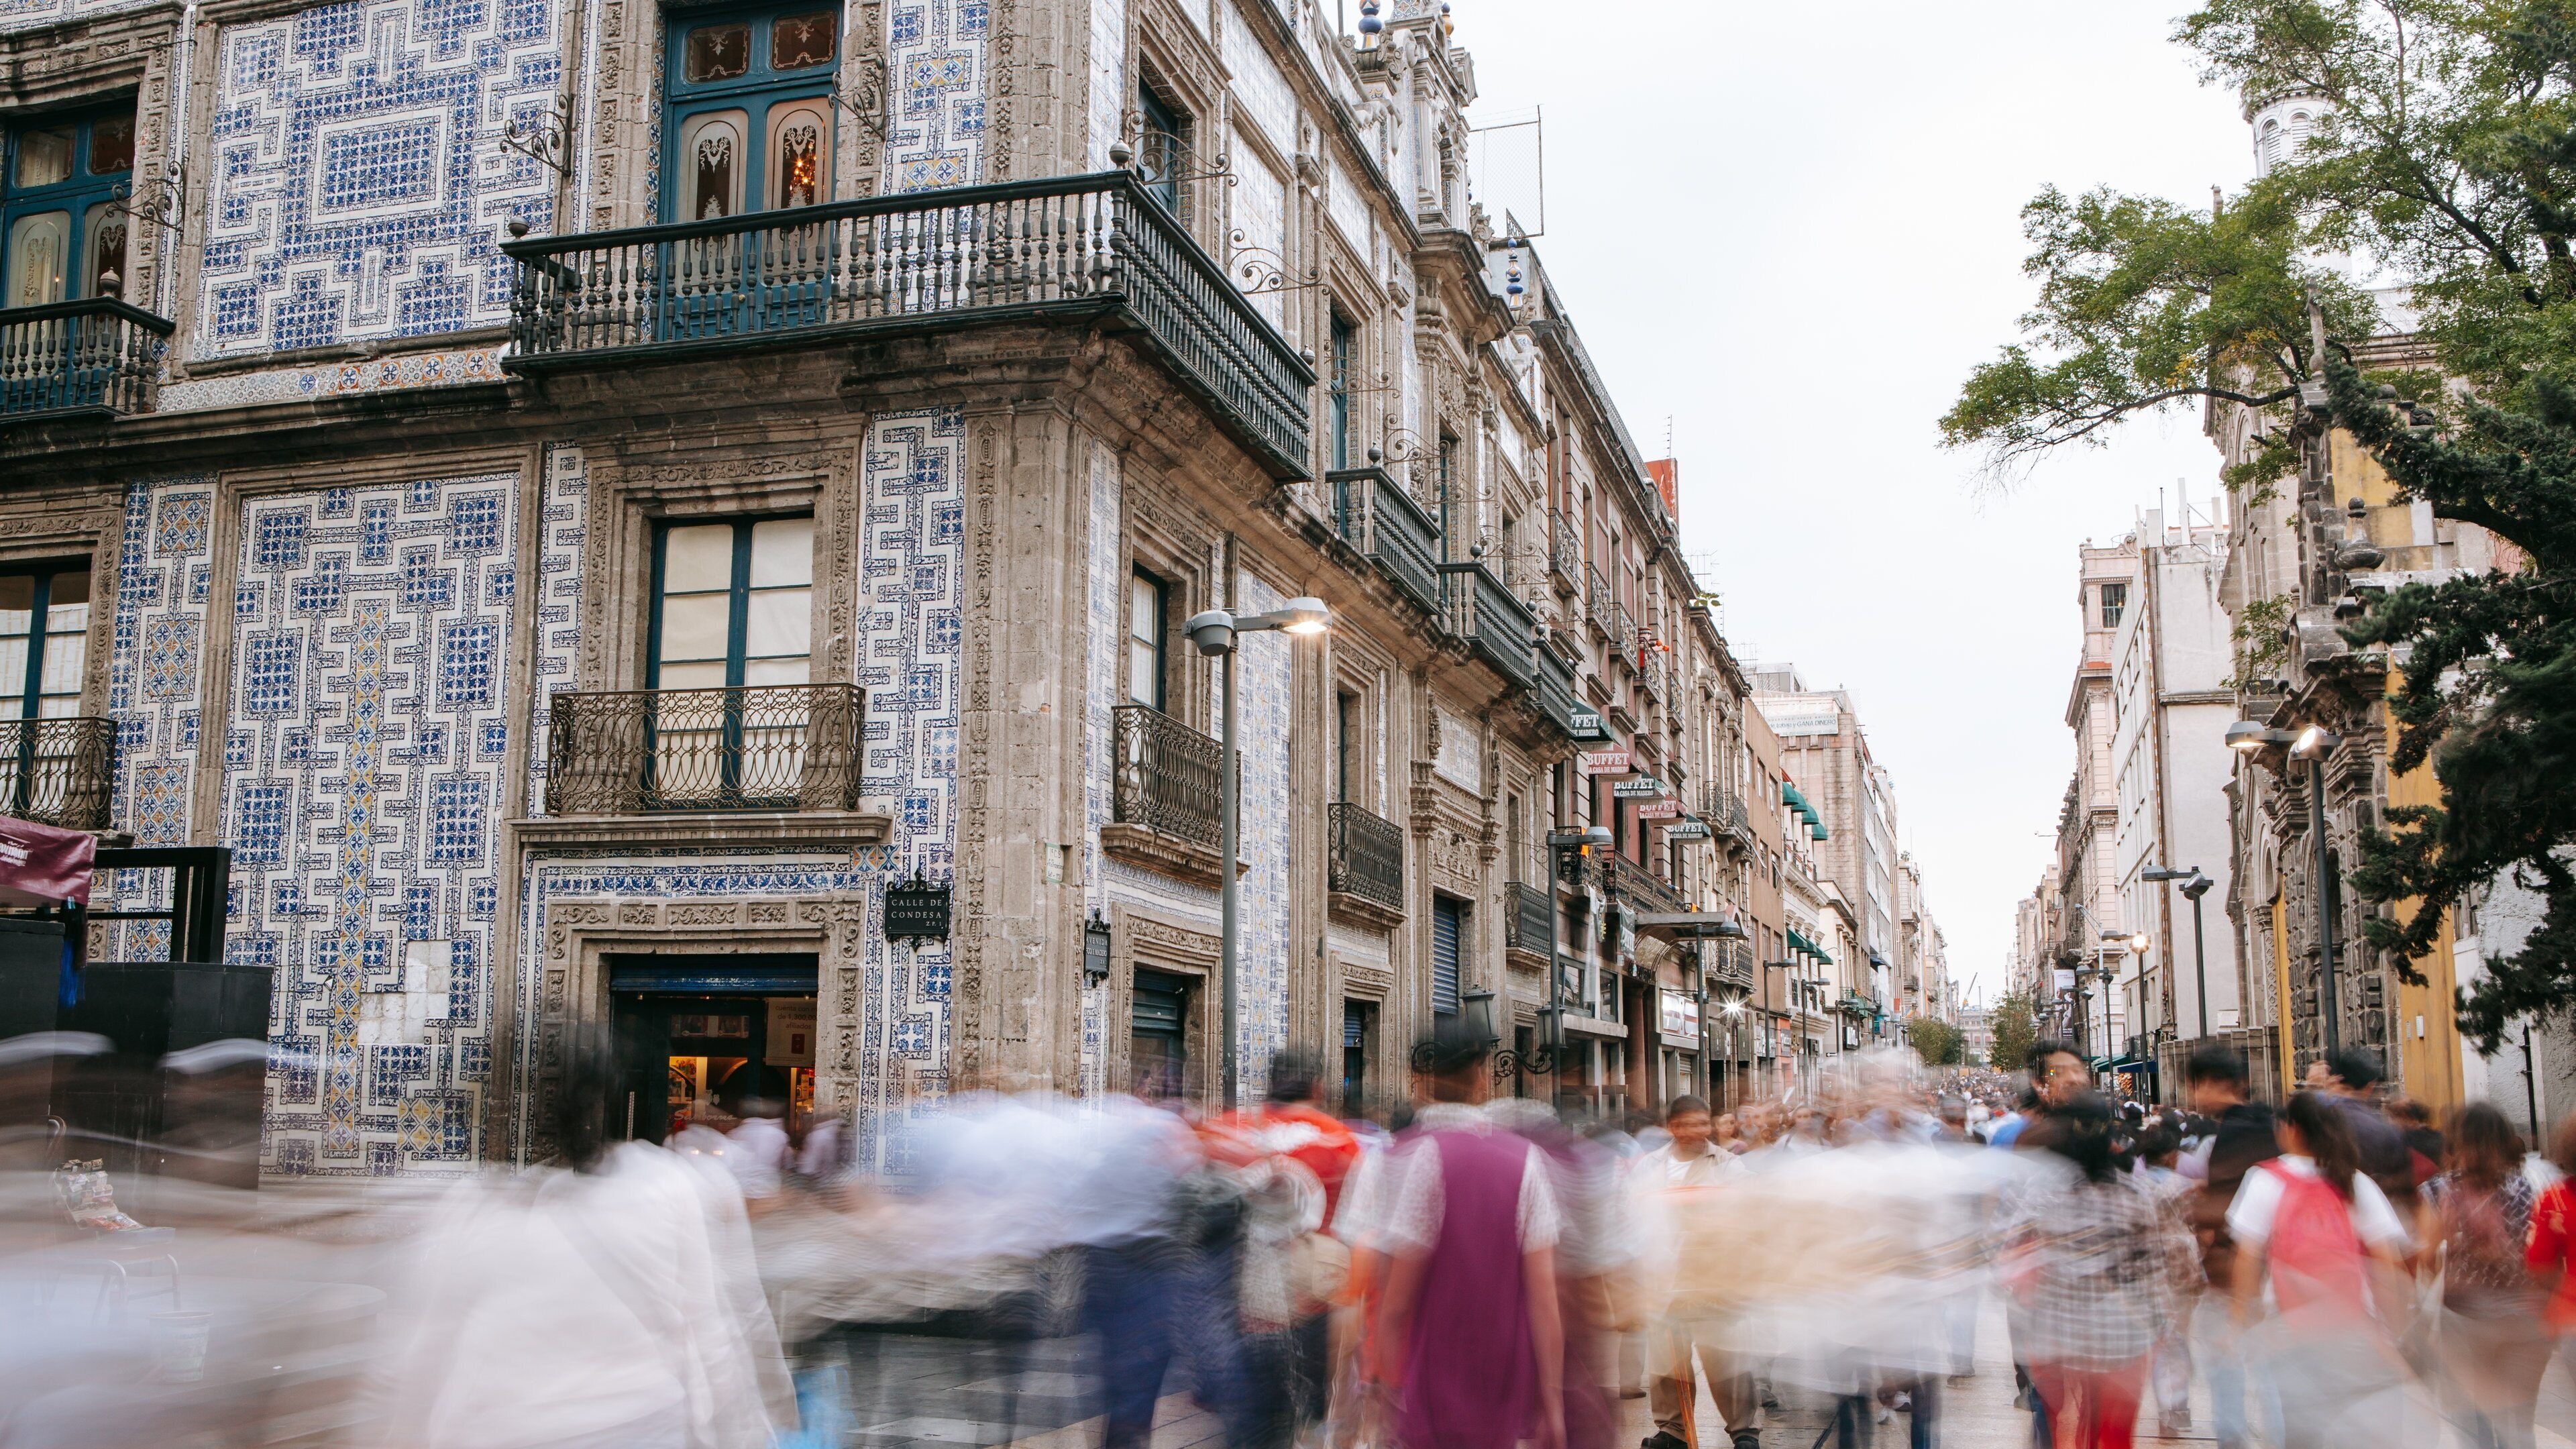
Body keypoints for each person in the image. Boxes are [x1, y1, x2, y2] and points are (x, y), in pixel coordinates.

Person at [1373, 1024, 1567, 1449]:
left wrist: (1384, 1388)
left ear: (1425, 1080)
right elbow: (1543, 1300)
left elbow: (1398, 1299)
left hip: (1431, 1389)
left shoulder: (1419, 1155)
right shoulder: (1526, 1160)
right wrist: (1551, 1403)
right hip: (1504, 1388)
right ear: (1481, 1078)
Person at [2002, 1089, 2195, 1449]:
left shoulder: (2044, 1191)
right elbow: (2157, 1264)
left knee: (2058, 1430)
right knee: (2114, 1435)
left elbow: (2011, 1249)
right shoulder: (2133, 1194)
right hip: (2120, 1343)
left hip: (2059, 1341)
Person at [2226, 1090, 2413, 1449]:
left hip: (2291, 1336)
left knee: (2303, 1434)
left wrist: (2238, 1323)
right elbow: (2388, 1263)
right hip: (2354, 1333)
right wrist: (2395, 1333)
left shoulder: (2266, 1179)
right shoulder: (2355, 1181)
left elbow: (2247, 1259)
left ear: (2292, 1130)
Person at [1633, 1096, 1761, 1449]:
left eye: (1702, 1123)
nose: (1696, 1131)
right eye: (1687, 1124)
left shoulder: (1727, 1166)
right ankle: (1672, 1430)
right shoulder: (1649, 1167)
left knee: (1727, 1363)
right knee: (1666, 1364)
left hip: (1713, 1281)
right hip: (1663, 1282)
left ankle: (1744, 1431)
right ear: (1672, 1126)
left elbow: (1747, 1212)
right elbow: (1630, 1217)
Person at [2420, 1102, 2546, 1449]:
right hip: (2522, 1317)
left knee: (2470, 1423)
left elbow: (2428, 1259)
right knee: (2518, 1424)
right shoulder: (2527, 1188)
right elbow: (2537, 1255)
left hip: (2463, 1319)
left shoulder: (2437, 1191)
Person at [2184, 1042, 2277, 1449]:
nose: (2193, 1097)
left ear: (2210, 1084)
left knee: (2228, 1369)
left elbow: (2223, 1211)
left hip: (2236, 1274)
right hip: (2275, 1274)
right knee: (2269, 1371)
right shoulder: (2268, 1122)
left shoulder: (2234, 1134)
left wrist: (2198, 1209)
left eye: (2195, 1086)